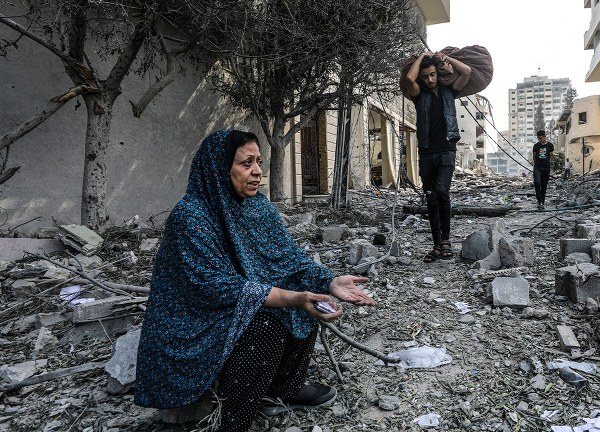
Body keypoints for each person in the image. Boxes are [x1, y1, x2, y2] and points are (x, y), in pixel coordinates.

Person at [134, 130, 377, 432]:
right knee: (266, 323)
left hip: (239, 299)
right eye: (246, 163)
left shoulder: (257, 207)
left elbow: (289, 258)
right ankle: (233, 419)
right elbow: (212, 286)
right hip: (194, 319)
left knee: (309, 302)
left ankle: (281, 390)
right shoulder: (191, 216)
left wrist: (328, 282)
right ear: (219, 167)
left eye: (259, 162)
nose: (258, 171)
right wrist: (289, 298)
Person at [403, 51, 471, 263]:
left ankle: (446, 241)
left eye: (432, 74)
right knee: (431, 197)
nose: (430, 80)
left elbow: (466, 71)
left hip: (446, 150)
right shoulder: (418, 94)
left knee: (442, 191)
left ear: (437, 73)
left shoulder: (450, 91)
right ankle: (437, 244)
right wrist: (423, 55)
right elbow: (408, 79)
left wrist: (443, 58)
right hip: (426, 152)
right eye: (426, 76)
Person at [532, 130, 554, 209]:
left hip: (546, 168)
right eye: (538, 138)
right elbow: (534, 156)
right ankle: (539, 200)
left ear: (545, 137)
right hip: (537, 167)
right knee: (537, 182)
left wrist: (547, 163)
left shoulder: (550, 145)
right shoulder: (536, 146)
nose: (539, 140)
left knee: (544, 185)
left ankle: (542, 203)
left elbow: (551, 156)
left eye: (540, 138)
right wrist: (537, 164)